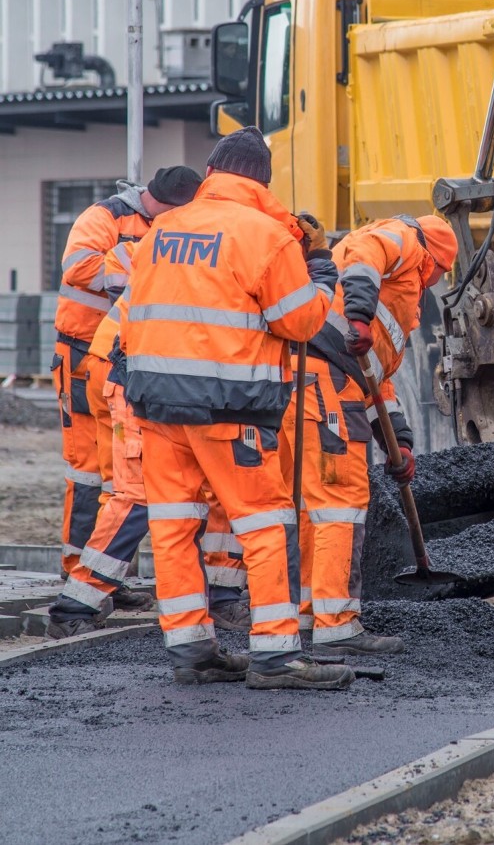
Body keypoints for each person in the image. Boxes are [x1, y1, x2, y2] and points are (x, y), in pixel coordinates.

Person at [123, 126, 354, 690]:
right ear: (262, 182)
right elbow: (300, 322)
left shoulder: (163, 229)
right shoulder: (265, 235)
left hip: (157, 405)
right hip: (229, 409)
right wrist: (321, 269)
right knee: (265, 522)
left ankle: (191, 651)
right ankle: (274, 656)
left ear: (211, 175)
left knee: (174, 527)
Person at [281, 212, 458, 656]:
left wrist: (397, 440)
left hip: (321, 378)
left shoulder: (398, 294)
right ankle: (337, 622)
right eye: (437, 275)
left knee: (314, 503)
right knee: (340, 501)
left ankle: (311, 612)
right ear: (433, 259)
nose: (432, 285)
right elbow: (364, 255)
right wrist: (358, 318)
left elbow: (378, 381)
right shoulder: (402, 241)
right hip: (328, 380)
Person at [52, 167, 203, 580]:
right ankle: (76, 569)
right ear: (167, 204)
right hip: (83, 355)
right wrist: (141, 269)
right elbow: (78, 268)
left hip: (121, 356)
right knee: (86, 471)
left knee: (120, 477)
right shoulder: (106, 217)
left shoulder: (166, 225)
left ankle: (107, 576)